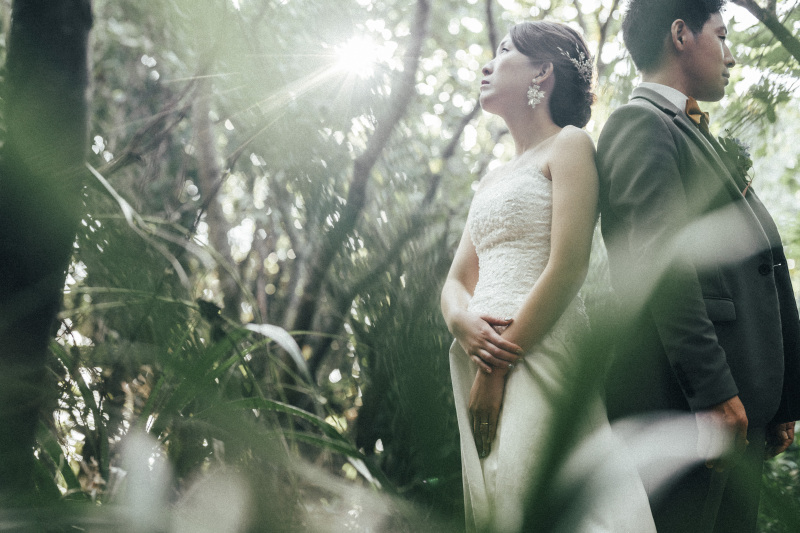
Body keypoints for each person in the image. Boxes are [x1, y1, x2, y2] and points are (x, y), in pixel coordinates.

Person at [441, 20, 655, 533]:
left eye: (506, 51)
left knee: (551, 500)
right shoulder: (491, 179)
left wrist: (496, 367)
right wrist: (461, 324)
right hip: (475, 358)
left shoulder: (571, 145)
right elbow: (454, 281)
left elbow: (568, 267)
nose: (488, 65)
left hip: (537, 352)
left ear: (543, 71)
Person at [597, 1, 800, 532]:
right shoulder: (639, 124)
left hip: (743, 401)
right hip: (691, 409)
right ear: (680, 34)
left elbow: (764, 265)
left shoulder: (693, 131)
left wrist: (784, 398)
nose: (732, 56)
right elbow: (662, 268)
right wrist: (713, 395)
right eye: (723, 35)